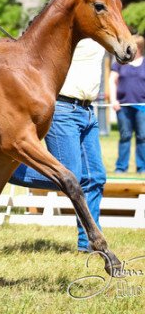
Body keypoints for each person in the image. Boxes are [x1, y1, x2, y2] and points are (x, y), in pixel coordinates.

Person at [10, 38, 106, 253]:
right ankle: (4, 171)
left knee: (95, 177)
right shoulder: (74, 31)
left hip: (88, 111)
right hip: (63, 108)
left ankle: (89, 244)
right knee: (69, 176)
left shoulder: (103, 30)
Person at [109, 34, 145, 174]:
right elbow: (112, 81)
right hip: (123, 107)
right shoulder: (119, 64)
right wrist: (113, 100)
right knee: (125, 136)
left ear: (138, 48)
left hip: (142, 107)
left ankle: (142, 167)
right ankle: (121, 167)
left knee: (142, 137)